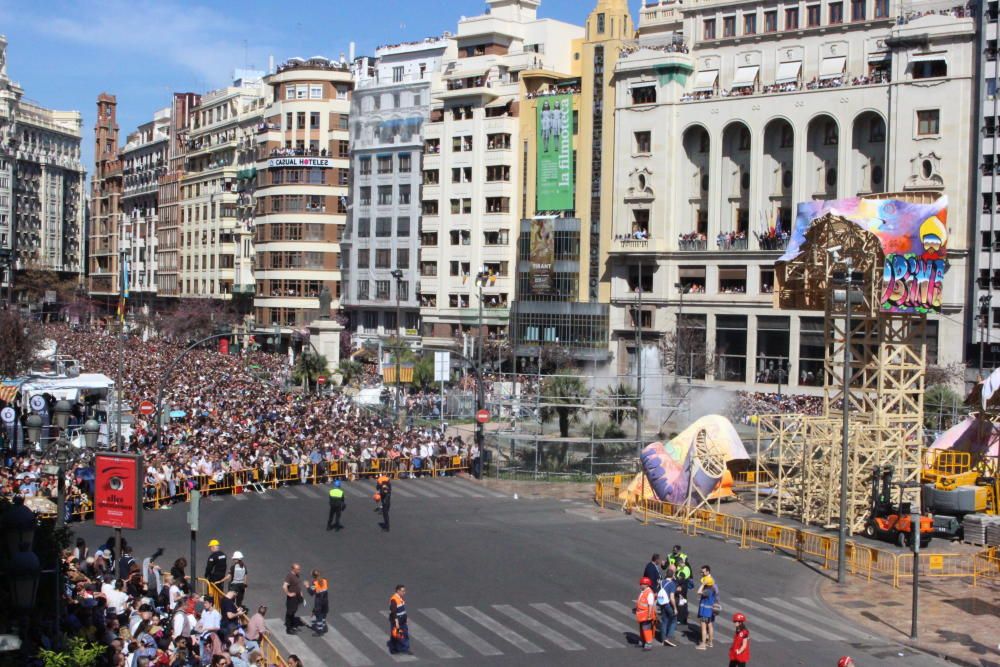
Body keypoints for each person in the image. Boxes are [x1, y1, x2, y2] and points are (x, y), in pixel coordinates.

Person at [696, 565, 719, 650]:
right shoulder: (714, 586)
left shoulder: (707, 590)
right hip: (711, 610)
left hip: (705, 610)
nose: (701, 573)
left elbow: (698, 592)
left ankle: (703, 644)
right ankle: (710, 642)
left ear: (708, 572)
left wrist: (703, 584)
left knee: (703, 626)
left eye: (703, 572)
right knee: (710, 625)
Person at [655, 570, 678, 647]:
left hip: (662, 604)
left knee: (664, 621)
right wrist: (675, 608)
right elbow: (672, 598)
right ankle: (669, 638)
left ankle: (663, 639)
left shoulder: (662, 582)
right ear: (673, 575)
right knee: (674, 620)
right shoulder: (672, 584)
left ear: (666, 574)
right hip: (668, 605)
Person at [387, 584, 410, 655]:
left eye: (404, 591)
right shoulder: (394, 599)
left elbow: (402, 610)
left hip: (402, 621)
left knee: (405, 634)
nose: (404, 592)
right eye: (403, 591)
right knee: (395, 635)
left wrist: (406, 618)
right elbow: (394, 612)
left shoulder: (400, 598)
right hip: (397, 621)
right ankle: (394, 649)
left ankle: (404, 649)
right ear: (398, 591)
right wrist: (396, 622)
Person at [282, 563, 304, 634]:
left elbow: (297, 585)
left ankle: (292, 626)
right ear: (293, 569)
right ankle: (288, 629)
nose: (299, 570)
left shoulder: (296, 575)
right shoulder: (289, 576)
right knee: (290, 613)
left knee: (294, 611)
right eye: (297, 569)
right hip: (292, 598)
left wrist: (300, 592)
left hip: (297, 597)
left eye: (299, 569)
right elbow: (284, 586)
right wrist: (288, 593)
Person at [307, 569, 329, 634]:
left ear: (313, 576)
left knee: (319, 616)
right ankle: (324, 627)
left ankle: (319, 630)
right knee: (324, 615)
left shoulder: (315, 583)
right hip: (325, 601)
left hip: (319, 602)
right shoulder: (325, 580)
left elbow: (311, 593)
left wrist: (307, 586)